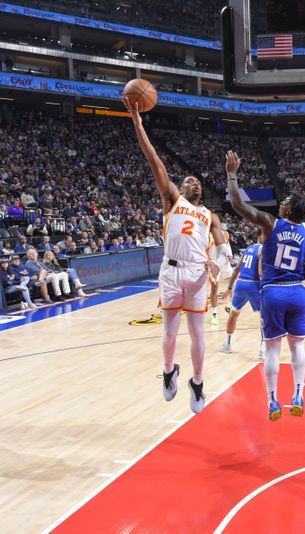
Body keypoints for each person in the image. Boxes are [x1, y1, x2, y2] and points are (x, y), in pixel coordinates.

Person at [124, 96, 231, 414]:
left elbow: (225, 250)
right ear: (180, 189)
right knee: (169, 334)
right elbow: (153, 158)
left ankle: (197, 382)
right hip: (171, 272)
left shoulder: (212, 216)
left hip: (198, 274)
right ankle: (169, 372)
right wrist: (137, 122)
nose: (193, 181)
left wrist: (219, 265)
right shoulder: (171, 199)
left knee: (198, 335)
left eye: (197, 180)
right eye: (188, 180)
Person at [225, 150, 305, 422]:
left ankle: (273, 399)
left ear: (288, 209)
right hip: (297, 292)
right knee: (297, 346)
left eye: (284, 202)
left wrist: (232, 175)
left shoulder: (269, 223)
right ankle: (298, 393)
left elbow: (239, 206)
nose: (281, 204)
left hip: (273, 292)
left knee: (273, 348)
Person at [218, 238, 265, 359]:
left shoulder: (248, 248)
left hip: (241, 284)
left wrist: (229, 287)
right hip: (253, 284)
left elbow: (237, 268)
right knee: (264, 318)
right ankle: (263, 349)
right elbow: (260, 273)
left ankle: (227, 344)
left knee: (233, 315)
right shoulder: (263, 249)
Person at [208, 224, 233, 326]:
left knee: (234, 283)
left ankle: (230, 306)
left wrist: (230, 254)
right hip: (213, 262)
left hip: (224, 261)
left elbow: (227, 246)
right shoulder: (205, 235)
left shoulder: (224, 233)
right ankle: (214, 314)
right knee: (214, 287)